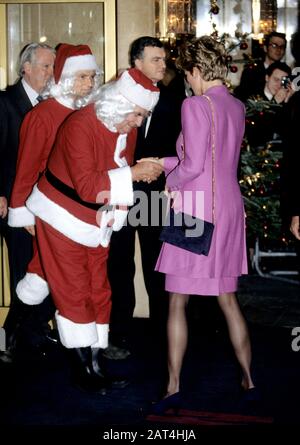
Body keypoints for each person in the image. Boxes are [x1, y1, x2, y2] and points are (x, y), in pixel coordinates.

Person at [23, 67, 163, 393]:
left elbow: (118, 174)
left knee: (100, 289)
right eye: (138, 114)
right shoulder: (80, 125)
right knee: (75, 291)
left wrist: (119, 210)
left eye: (144, 115)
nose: (139, 123)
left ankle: (95, 362)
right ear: (120, 103)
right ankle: (82, 369)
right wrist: (134, 175)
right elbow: (87, 185)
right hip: (60, 216)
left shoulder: (123, 126)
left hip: (97, 220)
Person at [151, 36, 257, 413]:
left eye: (188, 75)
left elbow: (193, 167)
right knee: (228, 299)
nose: (188, 82)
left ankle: (173, 384)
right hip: (228, 206)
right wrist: (162, 163)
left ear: (196, 70)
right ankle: (248, 376)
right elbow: (209, 159)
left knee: (177, 299)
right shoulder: (235, 105)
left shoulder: (195, 104)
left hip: (195, 208)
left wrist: (170, 181)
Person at [4, 43, 100, 359]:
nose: (89, 83)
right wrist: (24, 215)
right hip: (46, 212)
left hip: (74, 214)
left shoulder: (85, 114)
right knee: (43, 275)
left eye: (91, 76)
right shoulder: (42, 115)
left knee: (40, 277)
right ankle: (14, 341)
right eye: (83, 76)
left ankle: (13, 339)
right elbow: (26, 168)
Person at [107, 36, 183, 359]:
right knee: (119, 264)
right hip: (122, 193)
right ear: (136, 61)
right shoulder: (115, 96)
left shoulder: (172, 100)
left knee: (156, 264)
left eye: (163, 60)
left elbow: (179, 147)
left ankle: (160, 334)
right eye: (155, 59)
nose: (161, 65)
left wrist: (155, 166)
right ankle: (118, 333)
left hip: (154, 194)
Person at [0, 43, 55, 360]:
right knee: (24, 273)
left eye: (52, 67)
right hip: (14, 205)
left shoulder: (50, 105)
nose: (50, 74)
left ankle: (33, 332)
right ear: (26, 68)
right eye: (45, 67)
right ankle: (9, 340)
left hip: (44, 205)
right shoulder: (6, 103)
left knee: (41, 272)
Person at [245, 61, 293, 148]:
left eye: (283, 81)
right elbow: (257, 136)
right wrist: (274, 103)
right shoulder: (253, 98)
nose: (279, 85)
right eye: (276, 79)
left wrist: (287, 102)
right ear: (267, 78)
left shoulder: (288, 100)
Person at [235, 31, 287, 102]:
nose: (279, 49)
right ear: (265, 48)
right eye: (274, 45)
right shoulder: (251, 71)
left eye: (282, 47)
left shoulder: (286, 71)